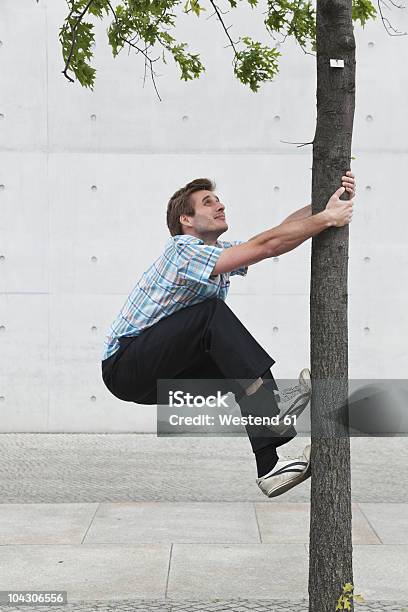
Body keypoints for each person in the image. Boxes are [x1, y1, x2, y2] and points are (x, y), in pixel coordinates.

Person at [101, 172, 355, 498]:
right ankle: (272, 408)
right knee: (211, 314)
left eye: (218, 200)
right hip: (125, 366)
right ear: (186, 220)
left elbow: (276, 238)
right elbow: (266, 246)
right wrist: (325, 219)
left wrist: (322, 206)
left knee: (237, 369)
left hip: (160, 375)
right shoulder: (182, 250)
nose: (220, 205)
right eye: (208, 202)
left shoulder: (215, 252)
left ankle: (269, 467)